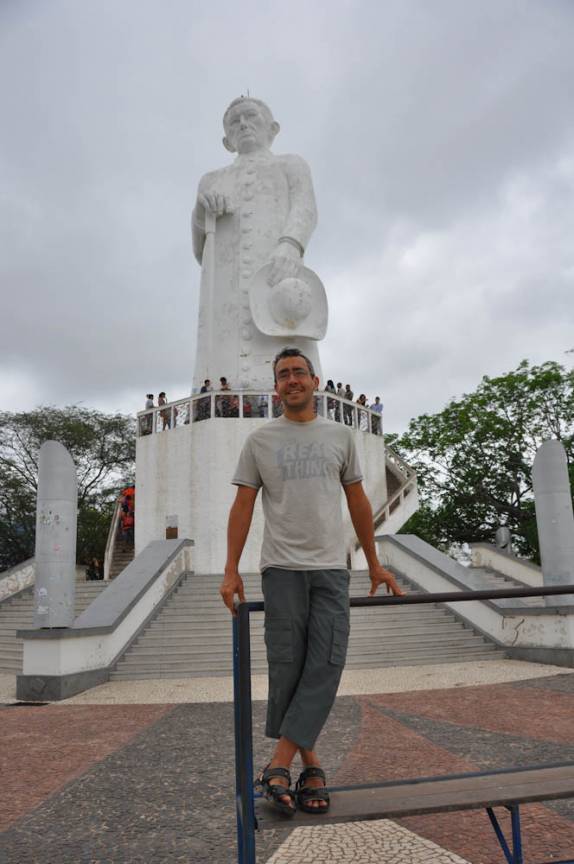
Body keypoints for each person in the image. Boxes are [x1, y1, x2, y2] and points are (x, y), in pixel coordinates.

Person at [220, 347, 403, 817]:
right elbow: (242, 506)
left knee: (327, 662)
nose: (292, 380)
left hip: (330, 568)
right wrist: (230, 568)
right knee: (287, 669)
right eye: (283, 374)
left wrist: (375, 562)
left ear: (315, 380)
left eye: (300, 372)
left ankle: (277, 765)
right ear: (276, 386)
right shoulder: (260, 441)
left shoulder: (340, 436)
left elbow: (358, 500)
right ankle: (312, 767)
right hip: (280, 568)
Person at [191, 97, 321, 391]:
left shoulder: (291, 164)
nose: (243, 124)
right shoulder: (210, 180)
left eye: (251, 116)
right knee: (222, 352)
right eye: (234, 122)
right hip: (226, 289)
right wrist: (201, 211)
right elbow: (201, 252)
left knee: (286, 338)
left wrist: (291, 244)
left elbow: (306, 208)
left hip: (276, 273)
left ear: (273, 128)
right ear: (227, 141)